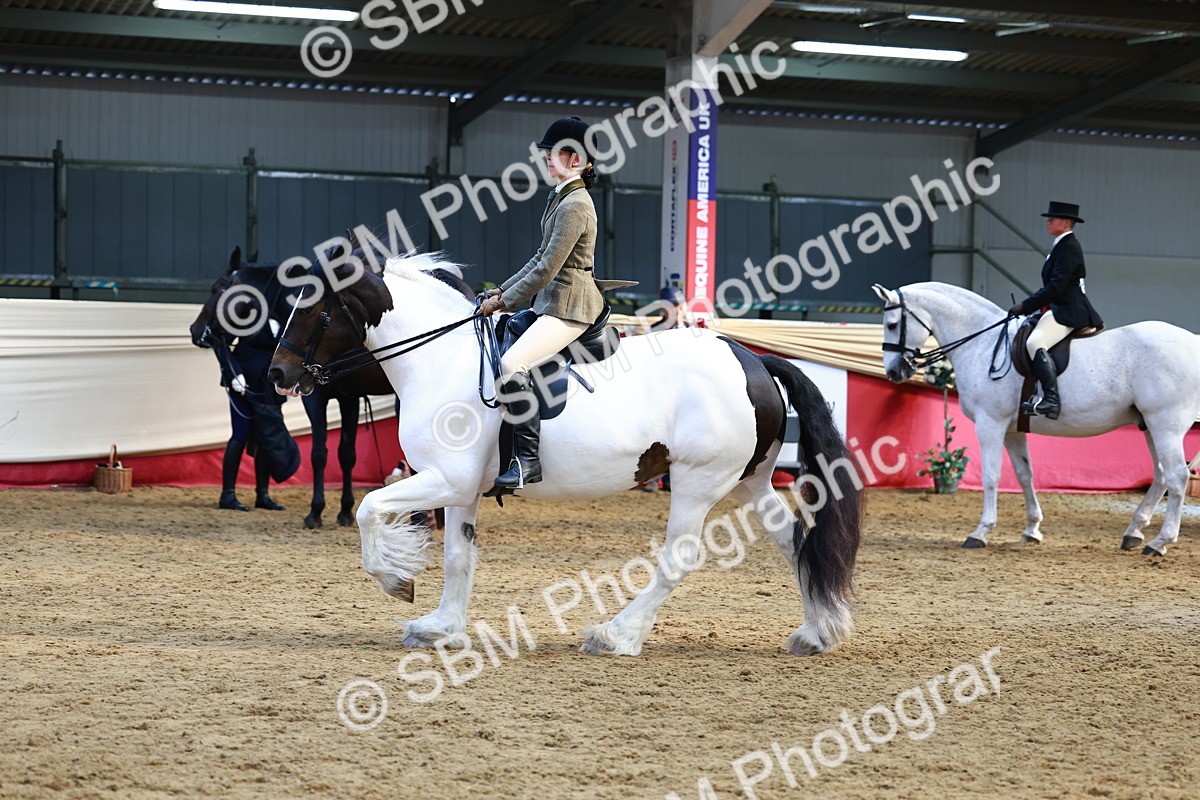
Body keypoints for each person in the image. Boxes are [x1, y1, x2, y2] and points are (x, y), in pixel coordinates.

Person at [477, 115, 617, 495]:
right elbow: (539, 255)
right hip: (551, 302)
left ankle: (527, 461)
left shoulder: (575, 205)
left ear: (576, 159)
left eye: (552, 153)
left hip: (571, 306)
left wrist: (504, 300)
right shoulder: (561, 198)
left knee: (511, 363)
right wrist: (498, 292)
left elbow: (546, 269)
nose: (545, 159)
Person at [1007, 201, 1104, 420]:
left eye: (1053, 218)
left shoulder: (1068, 246)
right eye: (1048, 218)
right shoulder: (1060, 245)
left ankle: (1051, 400)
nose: (1048, 222)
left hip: (1069, 309)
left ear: (1067, 222)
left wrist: (1026, 305)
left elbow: (1056, 287)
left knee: (1034, 342)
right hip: (1058, 305)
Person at [211, 304, 292, 511]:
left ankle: (262, 494)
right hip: (243, 383)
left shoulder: (287, 312)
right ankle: (227, 494)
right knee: (241, 433)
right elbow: (219, 340)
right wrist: (234, 374)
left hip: (269, 384)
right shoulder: (247, 309)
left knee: (266, 436)